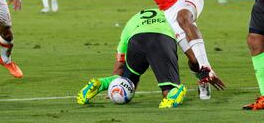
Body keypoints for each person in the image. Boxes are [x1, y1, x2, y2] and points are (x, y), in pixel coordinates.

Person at [77, 9, 222, 108]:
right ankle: (175, 91)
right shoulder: (172, 15)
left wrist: (115, 84)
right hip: (161, 41)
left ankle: (101, 83)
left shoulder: (134, 18)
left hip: (136, 41)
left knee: (127, 81)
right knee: (168, 93)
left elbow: (119, 64)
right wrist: (200, 70)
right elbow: (189, 51)